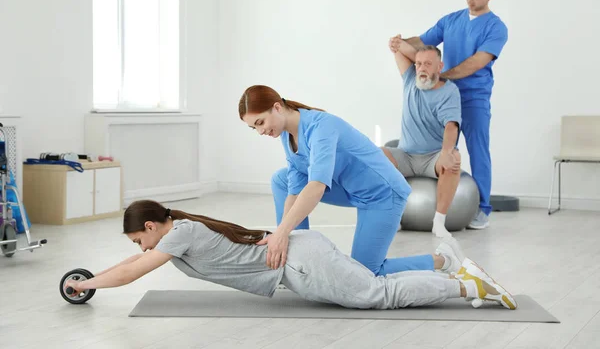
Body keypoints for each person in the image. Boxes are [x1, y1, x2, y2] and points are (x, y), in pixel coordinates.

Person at [64, 200, 518, 310]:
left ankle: (467, 283)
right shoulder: (179, 230)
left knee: (378, 294)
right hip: (303, 253)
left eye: (138, 241)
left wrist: (87, 285)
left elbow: (131, 274)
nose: (140, 250)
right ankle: (446, 263)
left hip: (299, 264)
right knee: (370, 281)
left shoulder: (178, 235)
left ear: (150, 228)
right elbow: (128, 266)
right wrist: (90, 280)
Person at [238, 85, 431, 277]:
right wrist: (282, 234)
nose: (260, 131)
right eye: (254, 127)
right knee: (281, 179)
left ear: (277, 108)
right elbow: (294, 191)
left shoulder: (321, 126)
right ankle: (294, 260)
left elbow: (316, 187)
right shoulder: (286, 135)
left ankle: (442, 260)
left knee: (365, 273)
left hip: (383, 194)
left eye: (260, 122)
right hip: (350, 189)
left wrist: (280, 234)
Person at [403, 0, 508, 230]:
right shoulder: (451, 20)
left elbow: (477, 62)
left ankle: (482, 208)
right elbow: (422, 42)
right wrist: (400, 42)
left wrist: (442, 75)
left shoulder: (496, 27)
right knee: (438, 150)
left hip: (474, 97)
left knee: (478, 149)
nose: (470, 1)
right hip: (444, 96)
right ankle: (436, 208)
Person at [382, 36, 462, 239]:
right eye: (418, 63)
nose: (421, 68)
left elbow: (451, 126)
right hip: (406, 156)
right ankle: (393, 219)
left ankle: (439, 222)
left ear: (440, 66)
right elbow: (399, 50)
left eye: (428, 64)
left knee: (454, 159)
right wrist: (396, 44)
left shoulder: (449, 91)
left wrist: (446, 153)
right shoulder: (410, 79)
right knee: (377, 155)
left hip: (432, 157)